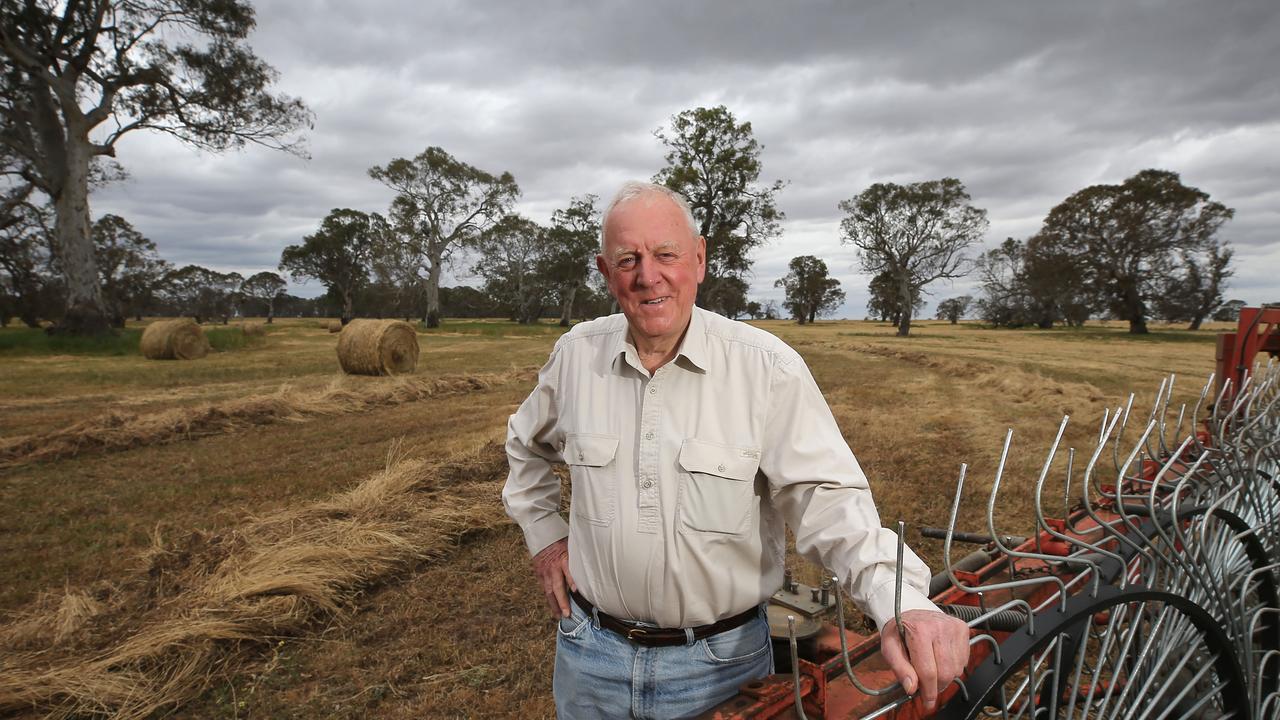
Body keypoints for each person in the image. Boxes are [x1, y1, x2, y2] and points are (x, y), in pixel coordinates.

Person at [503, 181, 970, 719]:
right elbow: (524, 446)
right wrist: (545, 540)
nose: (647, 275)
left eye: (666, 255)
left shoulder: (766, 369)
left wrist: (901, 603)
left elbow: (828, 499)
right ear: (606, 272)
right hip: (590, 659)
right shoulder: (575, 357)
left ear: (698, 259)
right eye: (627, 259)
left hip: (719, 667)